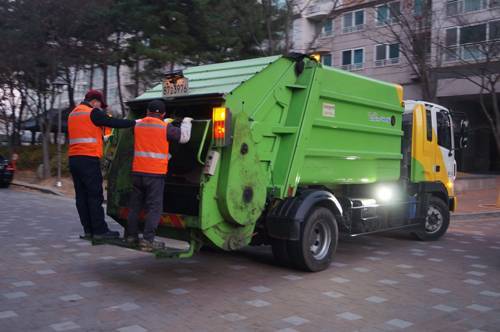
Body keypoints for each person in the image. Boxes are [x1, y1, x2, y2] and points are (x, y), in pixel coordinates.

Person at [68, 89, 135, 240]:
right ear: (94, 101)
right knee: (94, 196)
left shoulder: (73, 114)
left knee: (81, 197)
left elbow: (85, 133)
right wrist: (134, 122)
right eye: (99, 104)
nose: (100, 107)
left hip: (74, 159)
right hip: (88, 160)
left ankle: (88, 230)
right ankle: (100, 231)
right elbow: (113, 122)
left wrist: (101, 139)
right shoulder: (92, 113)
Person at [126, 100, 192, 251]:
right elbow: (184, 137)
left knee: (135, 206)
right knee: (154, 208)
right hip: (154, 175)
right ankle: (147, 240)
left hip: (137, 172)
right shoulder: (165, 127)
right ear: (163, 114)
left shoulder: (137, 124)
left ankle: (131, 236)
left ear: (147, 111)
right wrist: (187, 121)